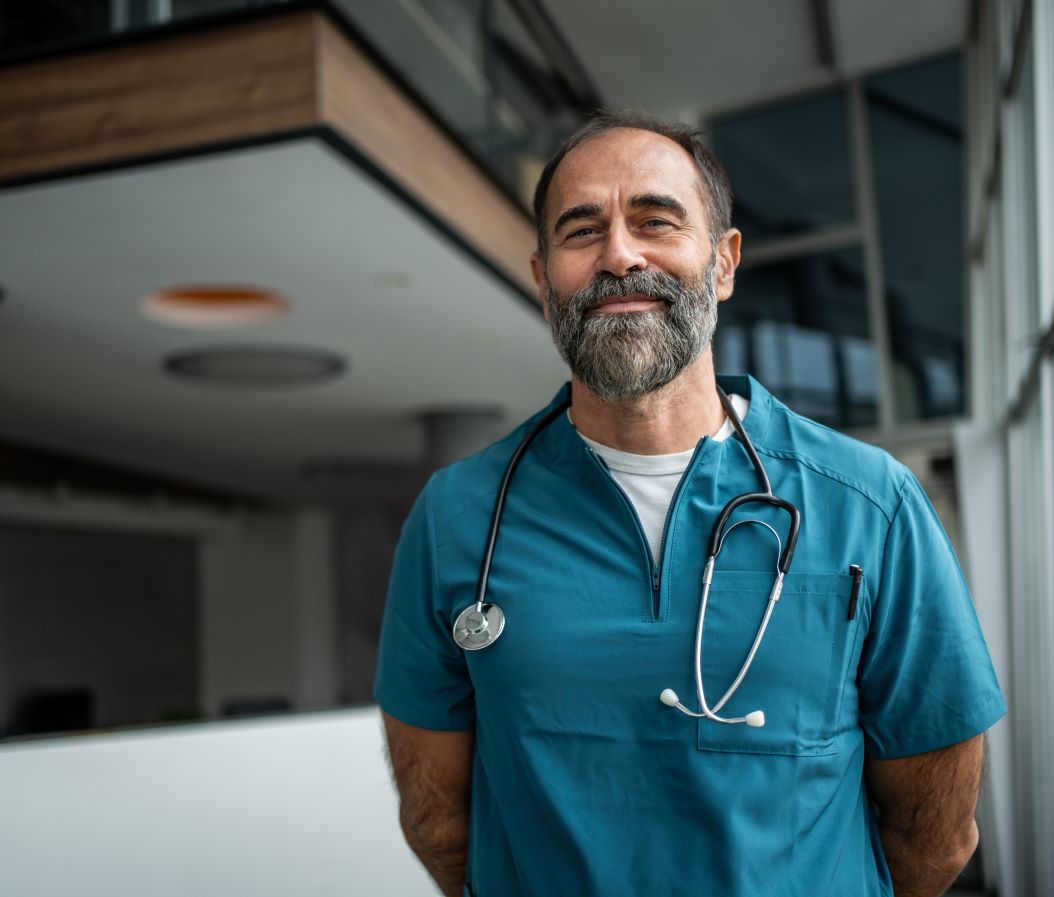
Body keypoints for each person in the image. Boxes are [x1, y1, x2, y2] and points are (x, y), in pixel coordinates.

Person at [375, 110, 1006, 897]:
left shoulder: (870, 505)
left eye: (655, 220)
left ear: (725, 261)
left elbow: (937, 830)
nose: (619, 255)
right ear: (543, 281)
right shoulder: (457, 517)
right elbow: (438, 817)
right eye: (581, 231)